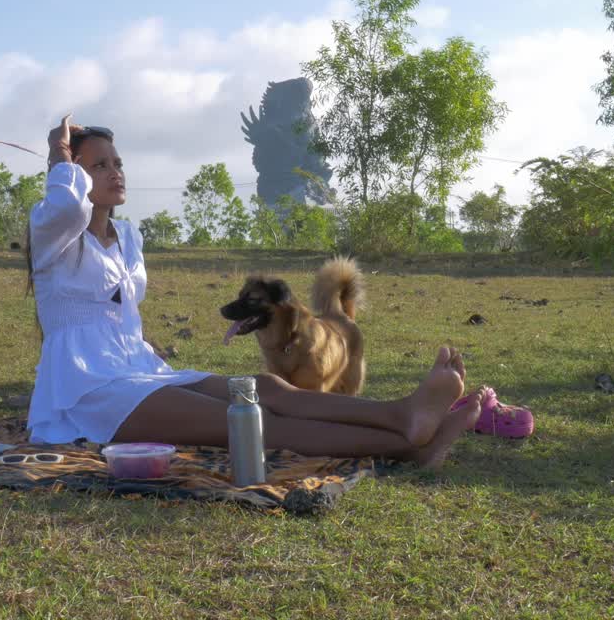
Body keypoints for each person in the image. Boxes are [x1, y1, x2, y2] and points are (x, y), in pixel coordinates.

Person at [25, 115, 490, 469]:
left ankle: (402, 413)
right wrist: (59, 157)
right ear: (73, 174)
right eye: (98, 166)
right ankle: (410, 445)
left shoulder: (128, 237)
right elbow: (67, 207)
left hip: (140, 367)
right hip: (89, 387)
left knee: (268, 389)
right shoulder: (54, 239)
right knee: (252, 424)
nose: (115, 172)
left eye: (117, 162)